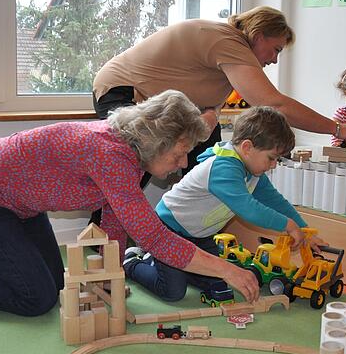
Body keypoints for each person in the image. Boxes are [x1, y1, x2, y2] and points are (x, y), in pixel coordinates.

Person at [0, 90, 260, 315]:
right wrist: (228, 270)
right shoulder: (111, 156)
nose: (183, 164)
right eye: (181, 153)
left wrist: (108, 282)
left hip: (18, 204)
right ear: (159, 141)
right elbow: (152, 237)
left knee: (57, 285)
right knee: (34, 299)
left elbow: (116, 227)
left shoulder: (128, 156)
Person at [93, 6, 346, 171]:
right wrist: (336, 128)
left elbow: (203, 85)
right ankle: (99, 249)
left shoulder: (229, 49)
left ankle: (195, 243)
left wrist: (211, 112)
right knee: (131, 169)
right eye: (275, 49)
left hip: (165, 107)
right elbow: (273, 104)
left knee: (209, 166)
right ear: (258, 36)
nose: (274, 59)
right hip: (123, 90)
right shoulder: (228, 41)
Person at [123, 106, 324, 302]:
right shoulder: (224, 167)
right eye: (271, 158)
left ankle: (168, 265)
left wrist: (305, 230)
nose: (273, 165)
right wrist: (289, 225)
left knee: (218, 285)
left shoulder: (253, 173)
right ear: (247, 147)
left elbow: (275, 201)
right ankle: (132, 261)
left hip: (200, 236)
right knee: (173, 291)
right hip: (170, 229)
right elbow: (249, 209)